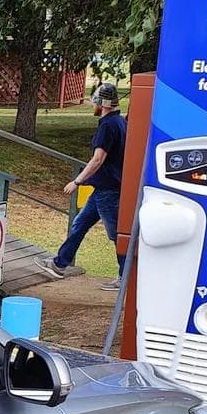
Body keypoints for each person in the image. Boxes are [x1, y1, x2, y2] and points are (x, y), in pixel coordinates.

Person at [51, 81, 128, 276]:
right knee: (80, 223)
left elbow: (98, 159)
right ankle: (60, 263)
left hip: (108, 190)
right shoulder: (120, 122)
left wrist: (77, 181)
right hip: (103, 188)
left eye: (94, 102)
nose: (93, 106)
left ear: (101, 103)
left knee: (117, 235)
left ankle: (125, 276)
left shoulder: (108, 126)